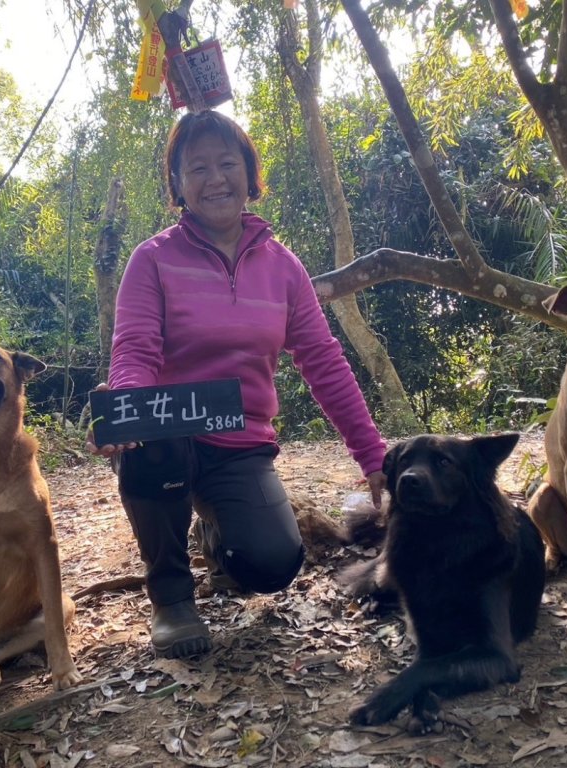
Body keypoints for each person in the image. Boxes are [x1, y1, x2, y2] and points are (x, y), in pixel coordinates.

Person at [86, 109, 387, 659]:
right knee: (156, 452)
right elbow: (135, 350)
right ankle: (172, 597)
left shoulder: (284, 268)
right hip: (166, 439)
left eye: (228, 163)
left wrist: (372, 456)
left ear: (251, 175)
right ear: (177, 183)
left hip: (240, 442)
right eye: (196, 167)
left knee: (272, 566)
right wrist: (126, 403)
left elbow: (323, 360)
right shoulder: (151, 259)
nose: (214, 178)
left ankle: (219, 537)